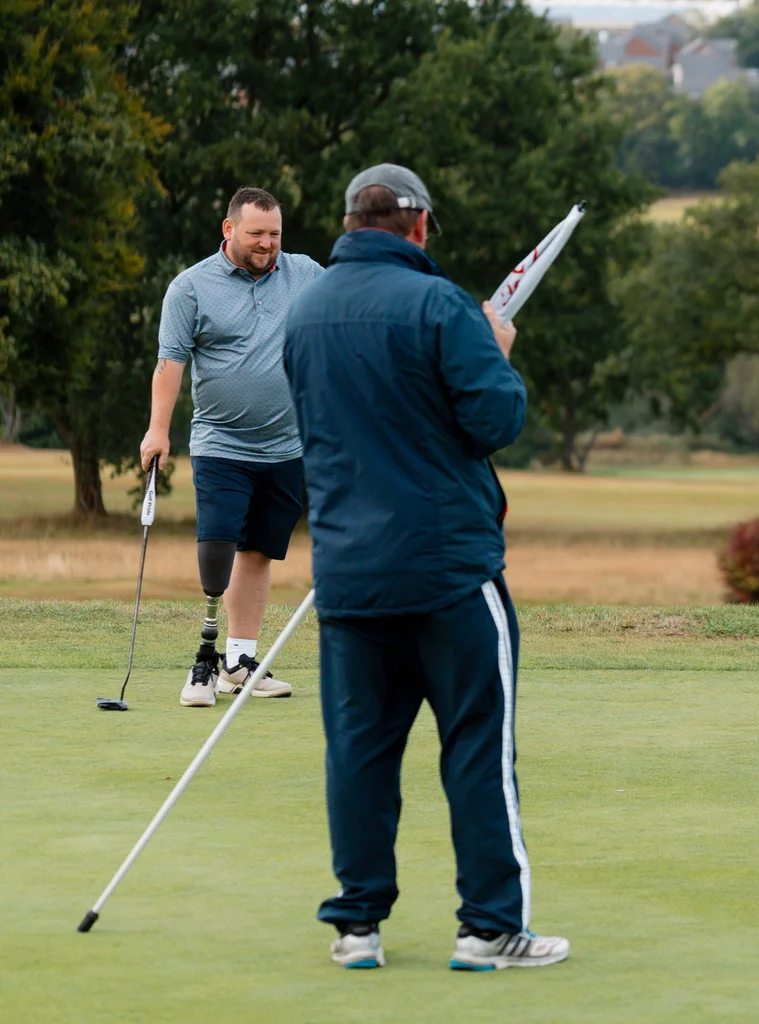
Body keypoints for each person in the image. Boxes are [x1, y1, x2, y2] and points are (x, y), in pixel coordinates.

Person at [282, 163, 568, 970]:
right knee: (477, 746)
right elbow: (493, 419)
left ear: (348, 223)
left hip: (347, 573)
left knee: (360, 752)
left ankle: (357, 926)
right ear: (419, 227)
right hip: (447, 570)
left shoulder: (303, 314)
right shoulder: (442, 305)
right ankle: (488, 928)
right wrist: (499, 350)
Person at [144, 187, 322, 707]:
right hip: (221, 443)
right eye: (256, 234)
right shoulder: (191, 287)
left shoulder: (305, 274)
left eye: (275, 234)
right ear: (229, 230)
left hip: (287, 447)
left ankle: (240, 664)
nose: (268, 244)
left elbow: (346, 312)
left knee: (261, 550)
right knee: (218, 543)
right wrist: (158, 429)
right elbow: (169, 364)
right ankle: (203, 660)